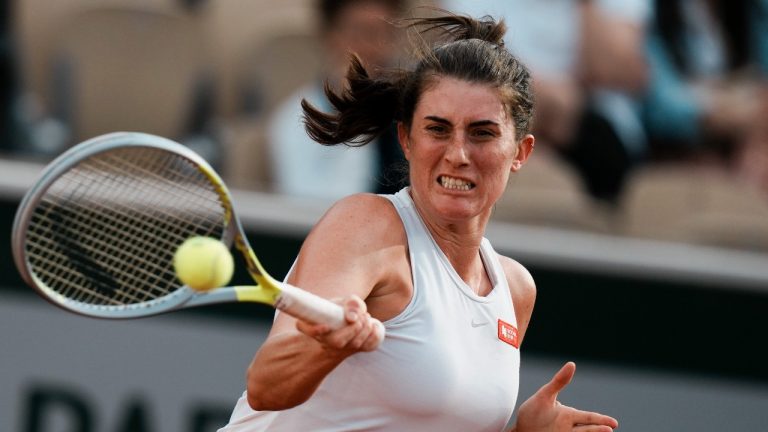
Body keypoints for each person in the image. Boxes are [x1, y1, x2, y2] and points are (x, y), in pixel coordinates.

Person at [219, 13, 619, 432]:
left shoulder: (515, 290)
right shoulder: (366, 227)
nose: (458, 154)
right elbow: (266, 387)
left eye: (482, 133)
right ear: (407, 140)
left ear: (521, 152)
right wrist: (326, 347)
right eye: (438, 129)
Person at [442, 0, 651, 204]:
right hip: (505, 116)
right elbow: (466, 68)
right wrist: (544, 94)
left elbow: (617, 71)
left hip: (595, 130)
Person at [267, 0, 407, 200]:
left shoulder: (410, 110)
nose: (375, 48)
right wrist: (355, 114)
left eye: (386, 34)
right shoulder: (295, 119)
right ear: (330, 36)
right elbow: (314, 207)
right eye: (363, 33)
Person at [642, 0, 768, 195]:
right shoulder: (651, 10)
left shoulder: (753, 10)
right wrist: (728, 111)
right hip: (672, 156)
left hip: (739, 149)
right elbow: (658, 102)